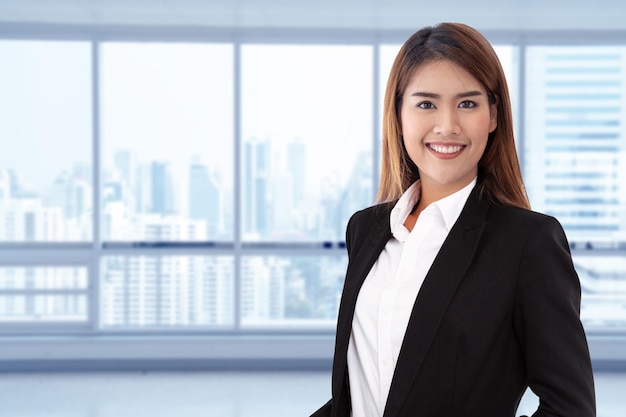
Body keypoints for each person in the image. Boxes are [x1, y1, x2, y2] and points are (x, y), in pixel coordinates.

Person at [310, 22, 596, 417]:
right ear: (398, 114)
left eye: (467, 103)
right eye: (426, 104)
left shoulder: (528, 243)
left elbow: (570, 409)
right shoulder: (366, 230)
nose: (447, 125)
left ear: (493, 115)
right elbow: (361, 393)